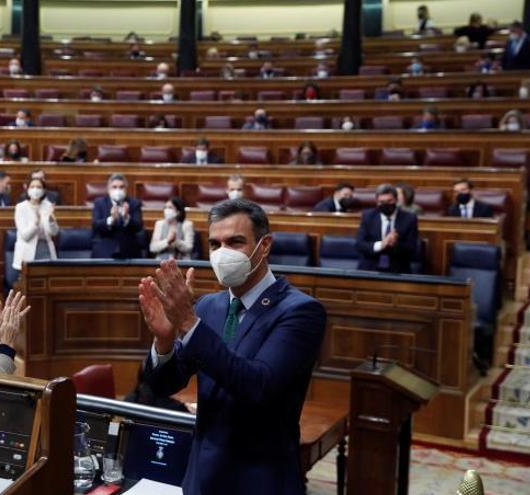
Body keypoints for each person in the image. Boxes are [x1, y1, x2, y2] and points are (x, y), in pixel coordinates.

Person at [138, 199, 326, 494]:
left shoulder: (300, 311)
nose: (222, 253)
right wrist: (163, 341)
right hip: (202, 475)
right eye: (215, 244)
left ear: (264, 246)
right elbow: (161, 386)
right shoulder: (209, 306)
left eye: (235, 242)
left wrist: (188, 323)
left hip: (260, 479)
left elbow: (258, 385)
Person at [355, 183, 419, 273]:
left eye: (389, 201)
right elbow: (360, 244)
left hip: (398, 269)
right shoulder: (368, 216)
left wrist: (395, 244)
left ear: (396, 200)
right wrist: (381, 244)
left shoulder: (409, 219)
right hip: (370, 268)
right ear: (377, 202)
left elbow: (412, 249)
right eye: (381, 202)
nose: (385, 204)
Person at [91, 173, 144, 259]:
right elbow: (95, 225)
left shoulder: (134, 203)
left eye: (121, 187)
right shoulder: (99, 203)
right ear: (108, 189)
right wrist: (111, 219)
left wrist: (126, 218)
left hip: (129, 251)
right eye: (114, 187)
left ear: (126, 189)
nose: (118, 190)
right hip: (104, 250)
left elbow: (139, 226)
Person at [12, 176, 59, 272]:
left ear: (43, 190)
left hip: (45, 249)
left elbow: (53, 233)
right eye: (32, 187)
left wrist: (51, 220)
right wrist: (36, 223)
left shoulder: (48, 205)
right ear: (27, 189)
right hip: (27, 252)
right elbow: (25, 236)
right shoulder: (21, 207)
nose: (35, 189)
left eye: (39, 187)